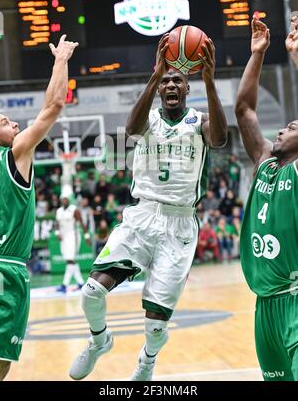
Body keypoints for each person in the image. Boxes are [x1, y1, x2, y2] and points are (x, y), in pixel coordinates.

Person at [69, 32, 227, 381]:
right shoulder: (149, 119)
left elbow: (218, 138)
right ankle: (99, 342)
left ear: (187, 88)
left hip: (180, 224)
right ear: (159, 88)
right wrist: (155, 73)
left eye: (178, 80)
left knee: (156, 325)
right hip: (142, 215)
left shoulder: (198, 121)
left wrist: (210, 82)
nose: (171, 84)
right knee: (92, 290)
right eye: (166, 80)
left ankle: (146, 362)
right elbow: (130, 128)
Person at [0, 35, 78, 381]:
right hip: (6, 271)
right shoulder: (14, 154)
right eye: (5, 122)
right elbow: (54, 106)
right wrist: (61, 60)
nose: (15, 125)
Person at [235, 16, 298, 381]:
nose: (281, 129)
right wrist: (258, 53)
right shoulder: (265, 164)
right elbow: (244, 110)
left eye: (291, 127)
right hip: (265, 307)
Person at [55, 195, 91, 293]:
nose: (64, 200)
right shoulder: (59, 211)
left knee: (70, 260)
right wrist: (57, 233)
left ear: (69, 200)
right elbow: (56, 223)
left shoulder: (74, 210)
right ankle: (80, 283)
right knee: (70, 260)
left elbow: (82, 223)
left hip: (73, 236)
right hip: (64, 237)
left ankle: (64, 285)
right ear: (61, 200)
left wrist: (87, 237)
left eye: (66, 198)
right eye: (63, 199)